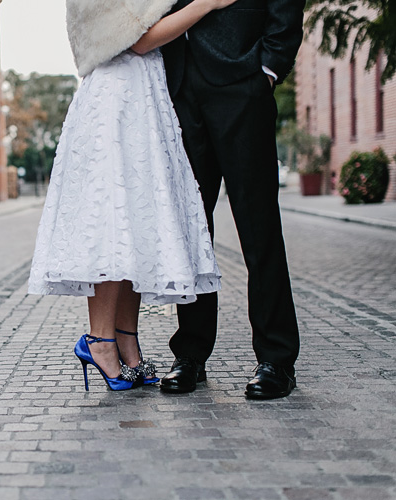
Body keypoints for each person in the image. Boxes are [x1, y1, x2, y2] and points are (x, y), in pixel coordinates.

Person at [28, 0, 237, 391]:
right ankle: (100, 341)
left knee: (136, 228)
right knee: (113, 224)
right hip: (116, 102)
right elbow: (139, 40)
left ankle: (126, 340)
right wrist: (208, 3)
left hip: (142, 95)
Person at [159, 0, 304, 399]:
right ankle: (190, 354)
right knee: (191, 229)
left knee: (259, 229)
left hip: (243, 80)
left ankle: (277, 359)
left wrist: (269, 69)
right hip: (177, 83)